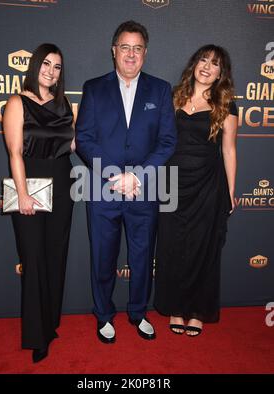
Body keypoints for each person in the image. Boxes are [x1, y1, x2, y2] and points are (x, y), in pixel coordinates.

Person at [76, 20, 177, 343]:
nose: (130, 54)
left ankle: (138, 312)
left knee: (142, 256)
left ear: (145, 53)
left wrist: (137, 176)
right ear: (113, 51)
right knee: (103, 255)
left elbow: (167, 141)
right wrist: (112, 175)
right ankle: (104, 315)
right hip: (103, 189)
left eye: (137, 48)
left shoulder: (160, 90)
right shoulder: (94, 87)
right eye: (125, 47)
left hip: (144, 189)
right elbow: (85, 138)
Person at [154, 44, 238, 336]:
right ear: (194, 64)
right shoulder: (173, 96)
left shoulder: (225, 103)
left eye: (215, 64)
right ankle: (176, 308)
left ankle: (198, 311)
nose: (207, 67)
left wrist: (230, 191)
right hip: (171, 183)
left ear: (220, 74)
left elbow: (228, 150)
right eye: (203, 60)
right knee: (171, 248)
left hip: (207, 185)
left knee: (203, 250)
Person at [3, 43, 75, 362]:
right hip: (29, 183)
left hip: (63, 182)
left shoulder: (64, 105)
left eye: (57, 66)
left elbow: (71, 145)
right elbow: (15, 153)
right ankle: (37, 336)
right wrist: (21, 194)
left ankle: (50, 323)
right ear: (35, 66)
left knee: (55, 256)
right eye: (46, 64)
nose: (51, 70)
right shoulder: (18, 102)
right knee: (33, 259)